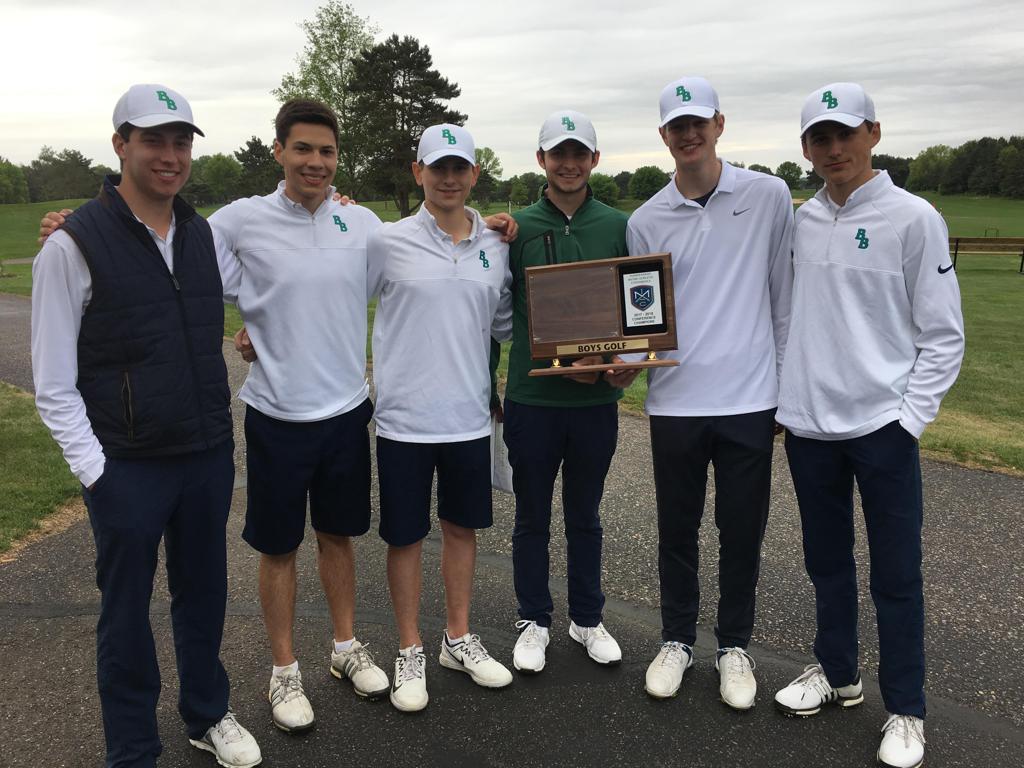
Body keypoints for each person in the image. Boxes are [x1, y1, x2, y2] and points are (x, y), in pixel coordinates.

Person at [30, 84, 261, 768]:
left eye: (181, 141)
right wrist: (97, 473)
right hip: (125, 464)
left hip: (204, 454)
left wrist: (329, 208)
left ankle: (207, 713)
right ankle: (132, 749)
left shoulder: (199, 233)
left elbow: (266, 287)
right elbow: (52, 382)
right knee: (125, 615)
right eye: (153, 139)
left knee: (205, 593)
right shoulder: (72, 245)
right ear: (120, 144)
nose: (170, 154)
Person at [773, 83, 964, 768]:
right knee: (826, 564)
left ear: (873, 134)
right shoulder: (800, 219)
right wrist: (783, 395)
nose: (834, 149)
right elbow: (788, 317)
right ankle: (838, 673)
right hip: (809, 427)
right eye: (819, 139)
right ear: (805, 149)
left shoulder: (914, 218)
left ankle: (906, 708)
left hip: (882, 426)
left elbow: (944, 335)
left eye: (845, 134)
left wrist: (909, 421)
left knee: (896, 575)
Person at [209, 99, 390, 732]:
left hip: (343, 409)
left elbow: (430, 253)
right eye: (304, 149)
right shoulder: (240, 220)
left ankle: (344, 649)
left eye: (327, 151)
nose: (316, 162)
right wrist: (74, 225)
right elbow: (168, 248)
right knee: (279, 547)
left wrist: (491, 224)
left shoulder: (361, 222)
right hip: (277, 414)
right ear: (279, 151)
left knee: (338, 537)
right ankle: (284, 671)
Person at [619, 76, 793, 710]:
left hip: (750, 398)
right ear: (664, 135)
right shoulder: (646, 219)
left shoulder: (769, 196)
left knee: (741, 529)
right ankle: (675, 641)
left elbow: (783, 299)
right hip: (675, 402)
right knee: (677, 529)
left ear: (719, 123)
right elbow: (644, 318)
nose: (689, 134)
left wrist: (782, 387)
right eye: (676, 126)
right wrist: (622, 364)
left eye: (699, 122)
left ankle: (734, 647)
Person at [367, 123, 514, 712]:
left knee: (461, 530)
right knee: (405, 537)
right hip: (404, 419)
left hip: (468, 419)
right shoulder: (384, 241)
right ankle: (409, 648)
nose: (449, 178)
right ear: (418, 171)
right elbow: (326, 293)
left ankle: (458, 637)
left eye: (460, 168)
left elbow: (507, 324)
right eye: (438, 167)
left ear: (474, 174)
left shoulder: (496, 245)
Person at [498, 110, 629, 673]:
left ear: (594, 160)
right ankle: (534, 619)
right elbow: (490, 308)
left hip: (595, 403)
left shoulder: (619, 225)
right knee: (531, 515)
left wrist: (631, 367)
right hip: (534, 398)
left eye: (579, 154)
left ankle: (586, 618)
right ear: (541, 161)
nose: (569, 164)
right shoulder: (515, 228)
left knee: (586, 514)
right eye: (559, 154)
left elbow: (638, 311)